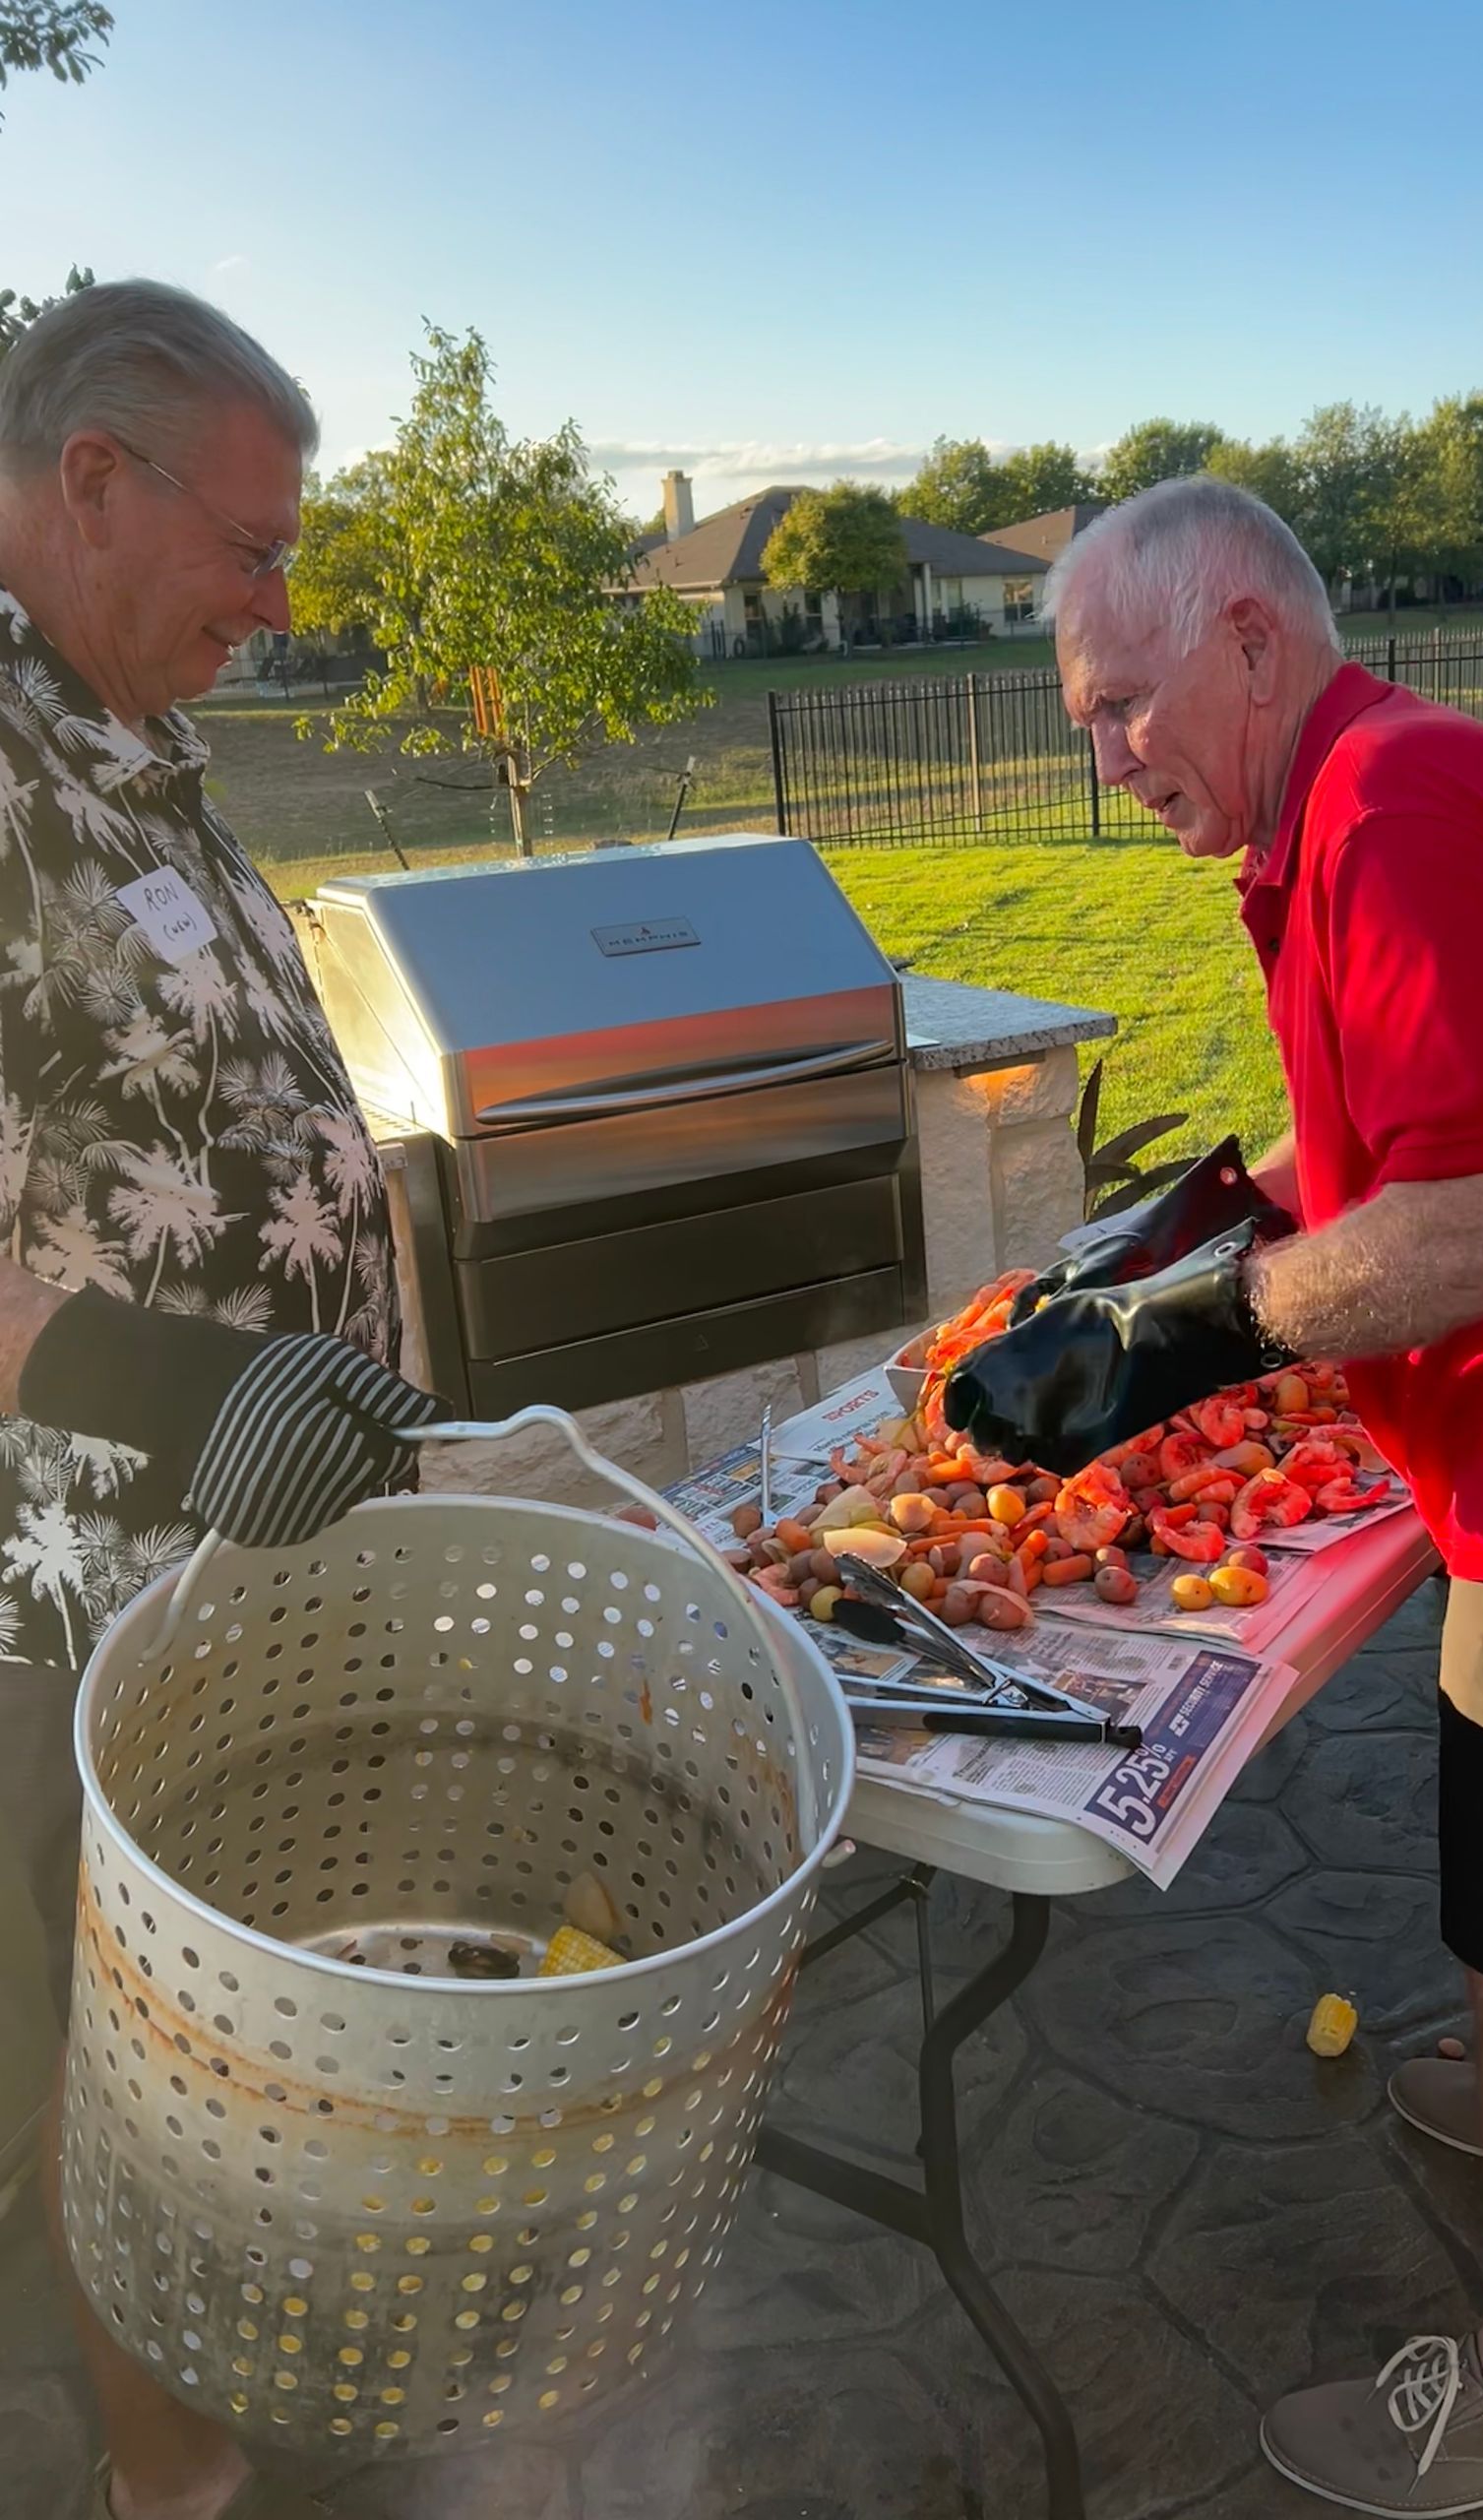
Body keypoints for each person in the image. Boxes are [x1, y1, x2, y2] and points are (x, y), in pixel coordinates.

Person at [945, 475, 1483, 2514]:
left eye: (1122, 702)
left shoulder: (1393, 810)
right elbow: (1417, 1141)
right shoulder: (1365, 789)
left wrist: (1180, 1339)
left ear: (1251, 638)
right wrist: (1190, 1233)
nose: (1106, 758)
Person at [0, 280, 446, 2520]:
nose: (280, 602)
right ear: (91, 480)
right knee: (125, 2062)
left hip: (245, 1559)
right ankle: (164, 2479)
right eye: (253, 546)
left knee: (262, 2033)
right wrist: (185, 1393)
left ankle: (272, 2381)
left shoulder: (123, 733)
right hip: (75, 1602)